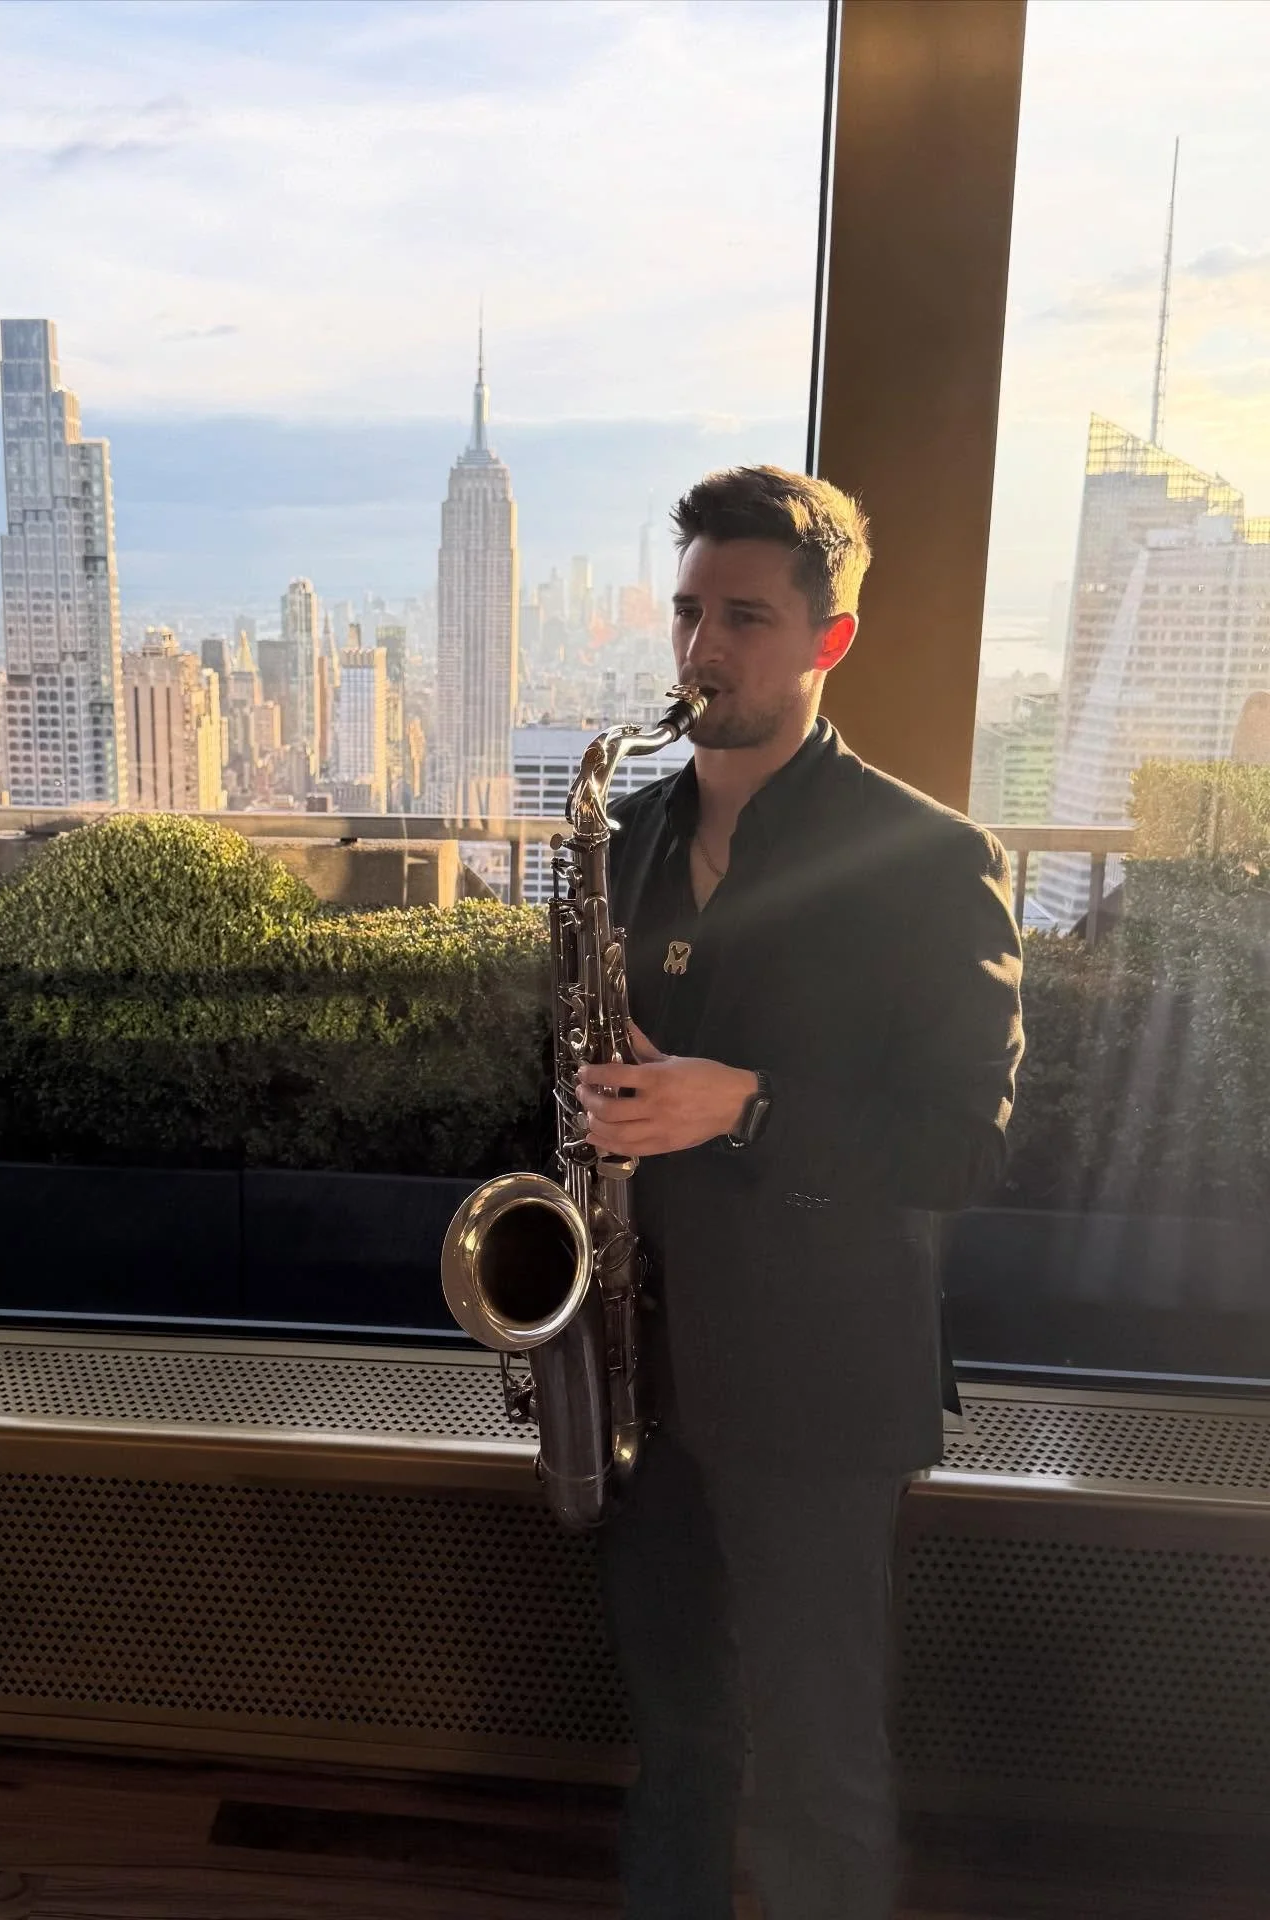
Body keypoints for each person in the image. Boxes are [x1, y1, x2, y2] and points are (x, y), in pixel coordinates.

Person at [573, 466, 1024, 1920]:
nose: (704, 650)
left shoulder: (933, 862)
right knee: (682, 1740)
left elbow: (964, 1147)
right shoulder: (619, 839)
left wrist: (746, 1105)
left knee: (823, 1761)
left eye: (748, 618)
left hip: (820, 1390)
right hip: (641, 1370)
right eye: (691, 612)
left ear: (830, 642)